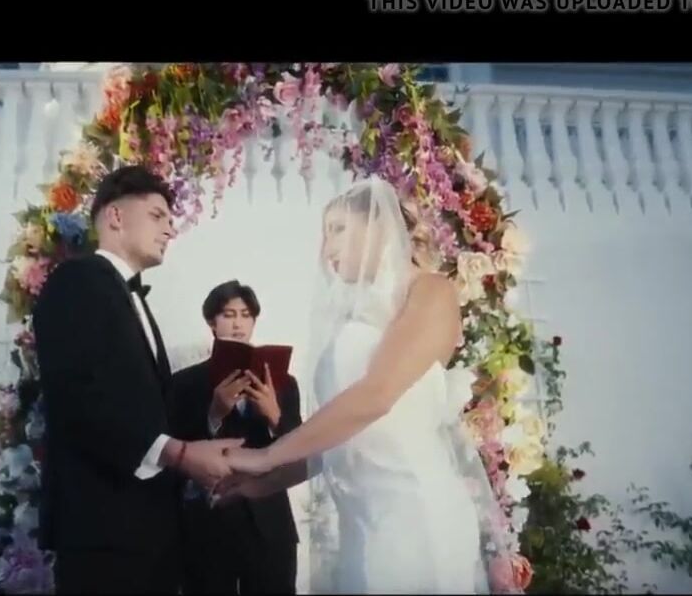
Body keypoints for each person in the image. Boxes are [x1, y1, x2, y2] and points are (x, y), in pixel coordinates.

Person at [214, 178, 503, 593]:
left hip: (413, 515)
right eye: (324, 234)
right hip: (361, 524)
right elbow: (341, 440)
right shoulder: (353, 319)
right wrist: (262, 485)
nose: (326, 248)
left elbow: (376, 396)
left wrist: (265, 456)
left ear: (380, 226)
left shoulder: (430, 291)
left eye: (338, 229)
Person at [32, 165, 244, 594]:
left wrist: (212, 419)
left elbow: (146, 406)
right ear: (115, 216)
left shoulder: (131, 298)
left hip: (147, 528)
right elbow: (79, 396)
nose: (169, 230)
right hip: (102, 528)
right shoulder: (77, 281)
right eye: (157, 215)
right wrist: (181, 454)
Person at [172, 280, 302, 594]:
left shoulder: (284, 382)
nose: (237, 323)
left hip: (270, 524)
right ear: (211, 322)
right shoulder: (184, 383)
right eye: (228, 315)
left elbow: (301, 451)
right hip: (208, 526)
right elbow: (175, 453)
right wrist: (214, 415)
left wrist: (275, 416)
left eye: (245, 315)